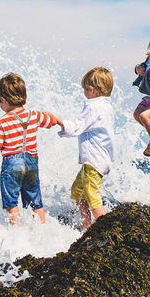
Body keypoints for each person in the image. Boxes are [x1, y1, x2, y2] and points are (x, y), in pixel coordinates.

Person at [0, 73, 62, 226]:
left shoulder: (1, 122)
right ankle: (42, 230)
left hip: (12, 165)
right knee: (35, 200)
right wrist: (51, 116)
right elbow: (52, 121)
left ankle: (17, 233)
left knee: (11, 202)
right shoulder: (34, 115)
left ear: (4, 100)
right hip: (31, 163)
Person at [57, 67, 116, 230]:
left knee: (91, 193)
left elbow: (76, 128)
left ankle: (104, 228)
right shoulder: (106, 107)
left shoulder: (93, 107)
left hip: (94, 159)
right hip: (99, 158)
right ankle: (87, 224)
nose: (84, 93)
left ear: (92, 90)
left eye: (85, 89)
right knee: (78, 190)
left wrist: (58, 121)